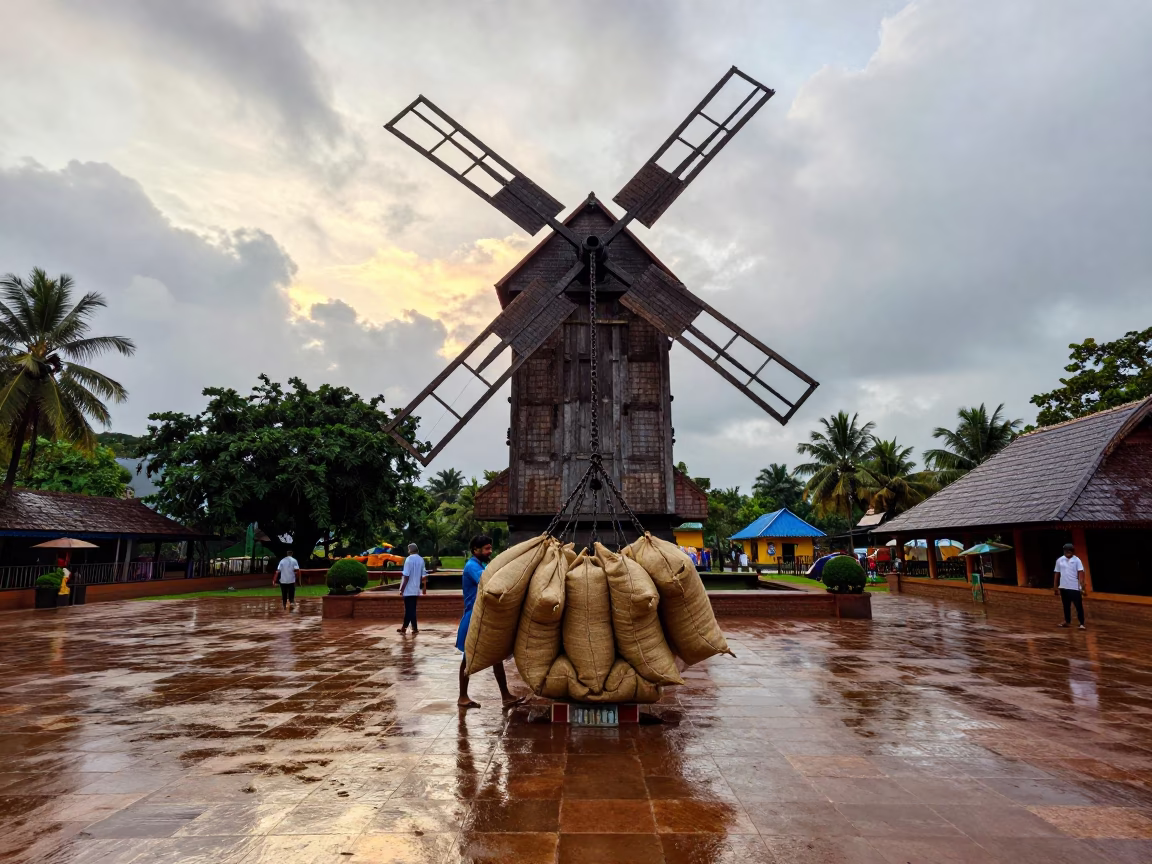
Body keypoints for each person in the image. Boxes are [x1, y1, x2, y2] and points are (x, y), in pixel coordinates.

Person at [457, 534, 524, 710]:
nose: (490, 551)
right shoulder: (472, 567)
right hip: (473, 617)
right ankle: (463, 697)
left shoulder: (482, 564)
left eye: (490, 548)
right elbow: (490, 583)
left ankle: (505, 696)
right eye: (486, 548)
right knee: (468, 658)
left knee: (497, 657)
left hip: (484, 617)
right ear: (475, 550)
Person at [1054, 542, 1087, 629]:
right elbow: (1057, 573)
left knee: (1078, 606)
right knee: (1066, 605)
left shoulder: (1077, 560)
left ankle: (1081, 623)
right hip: (1063, 586)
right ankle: (1067, 621)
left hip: (1074, 587)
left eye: (1070, 550)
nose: (1068, 552)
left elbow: (1080, 573)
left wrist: (1082, 587)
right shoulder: (1060, 560)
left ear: (1073, 551)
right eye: (1066, 550)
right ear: (1064, 551)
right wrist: (1055, 586)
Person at [398, 543, 427, 635]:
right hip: (415, 588)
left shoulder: (409, 559)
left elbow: (406, 576)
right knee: (412, 609)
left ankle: (404, 627)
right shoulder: (421, 559)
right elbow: (423, 576)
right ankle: (414, 628)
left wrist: (401, 589)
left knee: (409, 610)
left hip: (408, 589)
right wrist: (424, 588)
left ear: (409, 550)